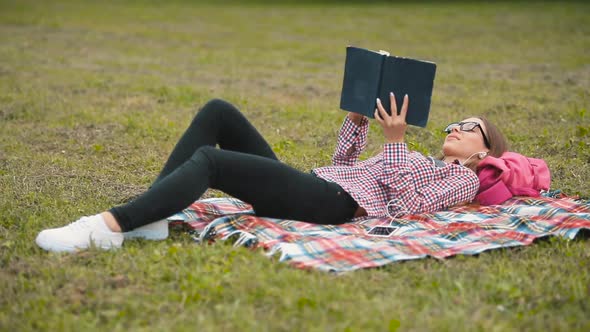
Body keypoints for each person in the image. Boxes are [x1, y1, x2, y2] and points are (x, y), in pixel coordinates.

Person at [36, 94, 508, 252]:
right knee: (218, 113)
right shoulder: (412, 153)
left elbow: (404, 207)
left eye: (471, 129)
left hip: (334, 208)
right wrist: (359, 122)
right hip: (320, 185)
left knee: (211, 162)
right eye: (455, 122)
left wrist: (395, 141)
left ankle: (110, 226)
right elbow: (343, 167)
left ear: (484, 151)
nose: (457, 128)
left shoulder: (462, 179)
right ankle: (155, 217)